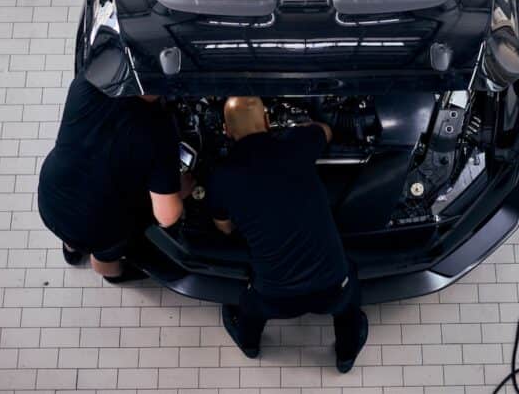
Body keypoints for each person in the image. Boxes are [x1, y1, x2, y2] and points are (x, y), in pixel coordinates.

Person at [210, 97, 369, 373]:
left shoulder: (221, 177)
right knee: (350, 293)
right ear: (268, 122)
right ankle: (346, 355)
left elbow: (224, 227)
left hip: (274, 296)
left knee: (249, 305)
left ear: (226, 130)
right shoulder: (297, 144)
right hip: (332, 287)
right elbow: (327, 131)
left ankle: (249, 344)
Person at [38, 76, 189, 282]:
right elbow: (167, 216)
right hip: (100, 225)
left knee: (70, 229)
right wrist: (181, 186)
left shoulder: (86, 83)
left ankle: (71, 249)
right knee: (105, 254)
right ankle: (112, 274)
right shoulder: (159, 132)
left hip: (51, 198)